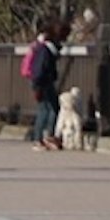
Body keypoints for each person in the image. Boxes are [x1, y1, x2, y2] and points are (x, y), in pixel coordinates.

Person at [22, 22, 65, 151]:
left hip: (42, 81)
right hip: (42, 82)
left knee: (50, 108)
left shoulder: (43, 48)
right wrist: (37, 86)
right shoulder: (45, 50)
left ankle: (44, 137)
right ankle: (40, 138)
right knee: (47, 109)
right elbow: (40, 69)